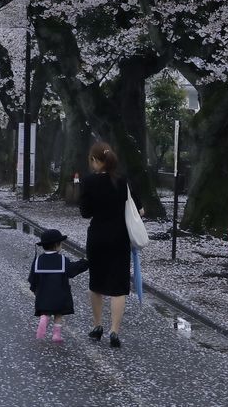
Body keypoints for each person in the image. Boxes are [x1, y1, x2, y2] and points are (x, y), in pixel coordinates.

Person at [79, 141, 134, 348]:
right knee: (118, 287)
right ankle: (114, 331)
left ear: (94, 160)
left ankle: (97, 325)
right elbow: (139, 209)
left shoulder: (88, 182)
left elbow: (85, 213)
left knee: (96, 284)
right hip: (120, 237)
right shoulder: (122, 181)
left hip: (97, 237)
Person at [28, 228, 89, 343]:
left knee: (46, 311)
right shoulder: (62, 259)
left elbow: (33, 277)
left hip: (43, 295)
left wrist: (35, 290)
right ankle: (56, 335)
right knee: (58, 313)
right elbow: (72, 270)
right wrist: (85, 262)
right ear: (57, 245)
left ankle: (44, 319)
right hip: (60, 293)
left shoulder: (38, 260)